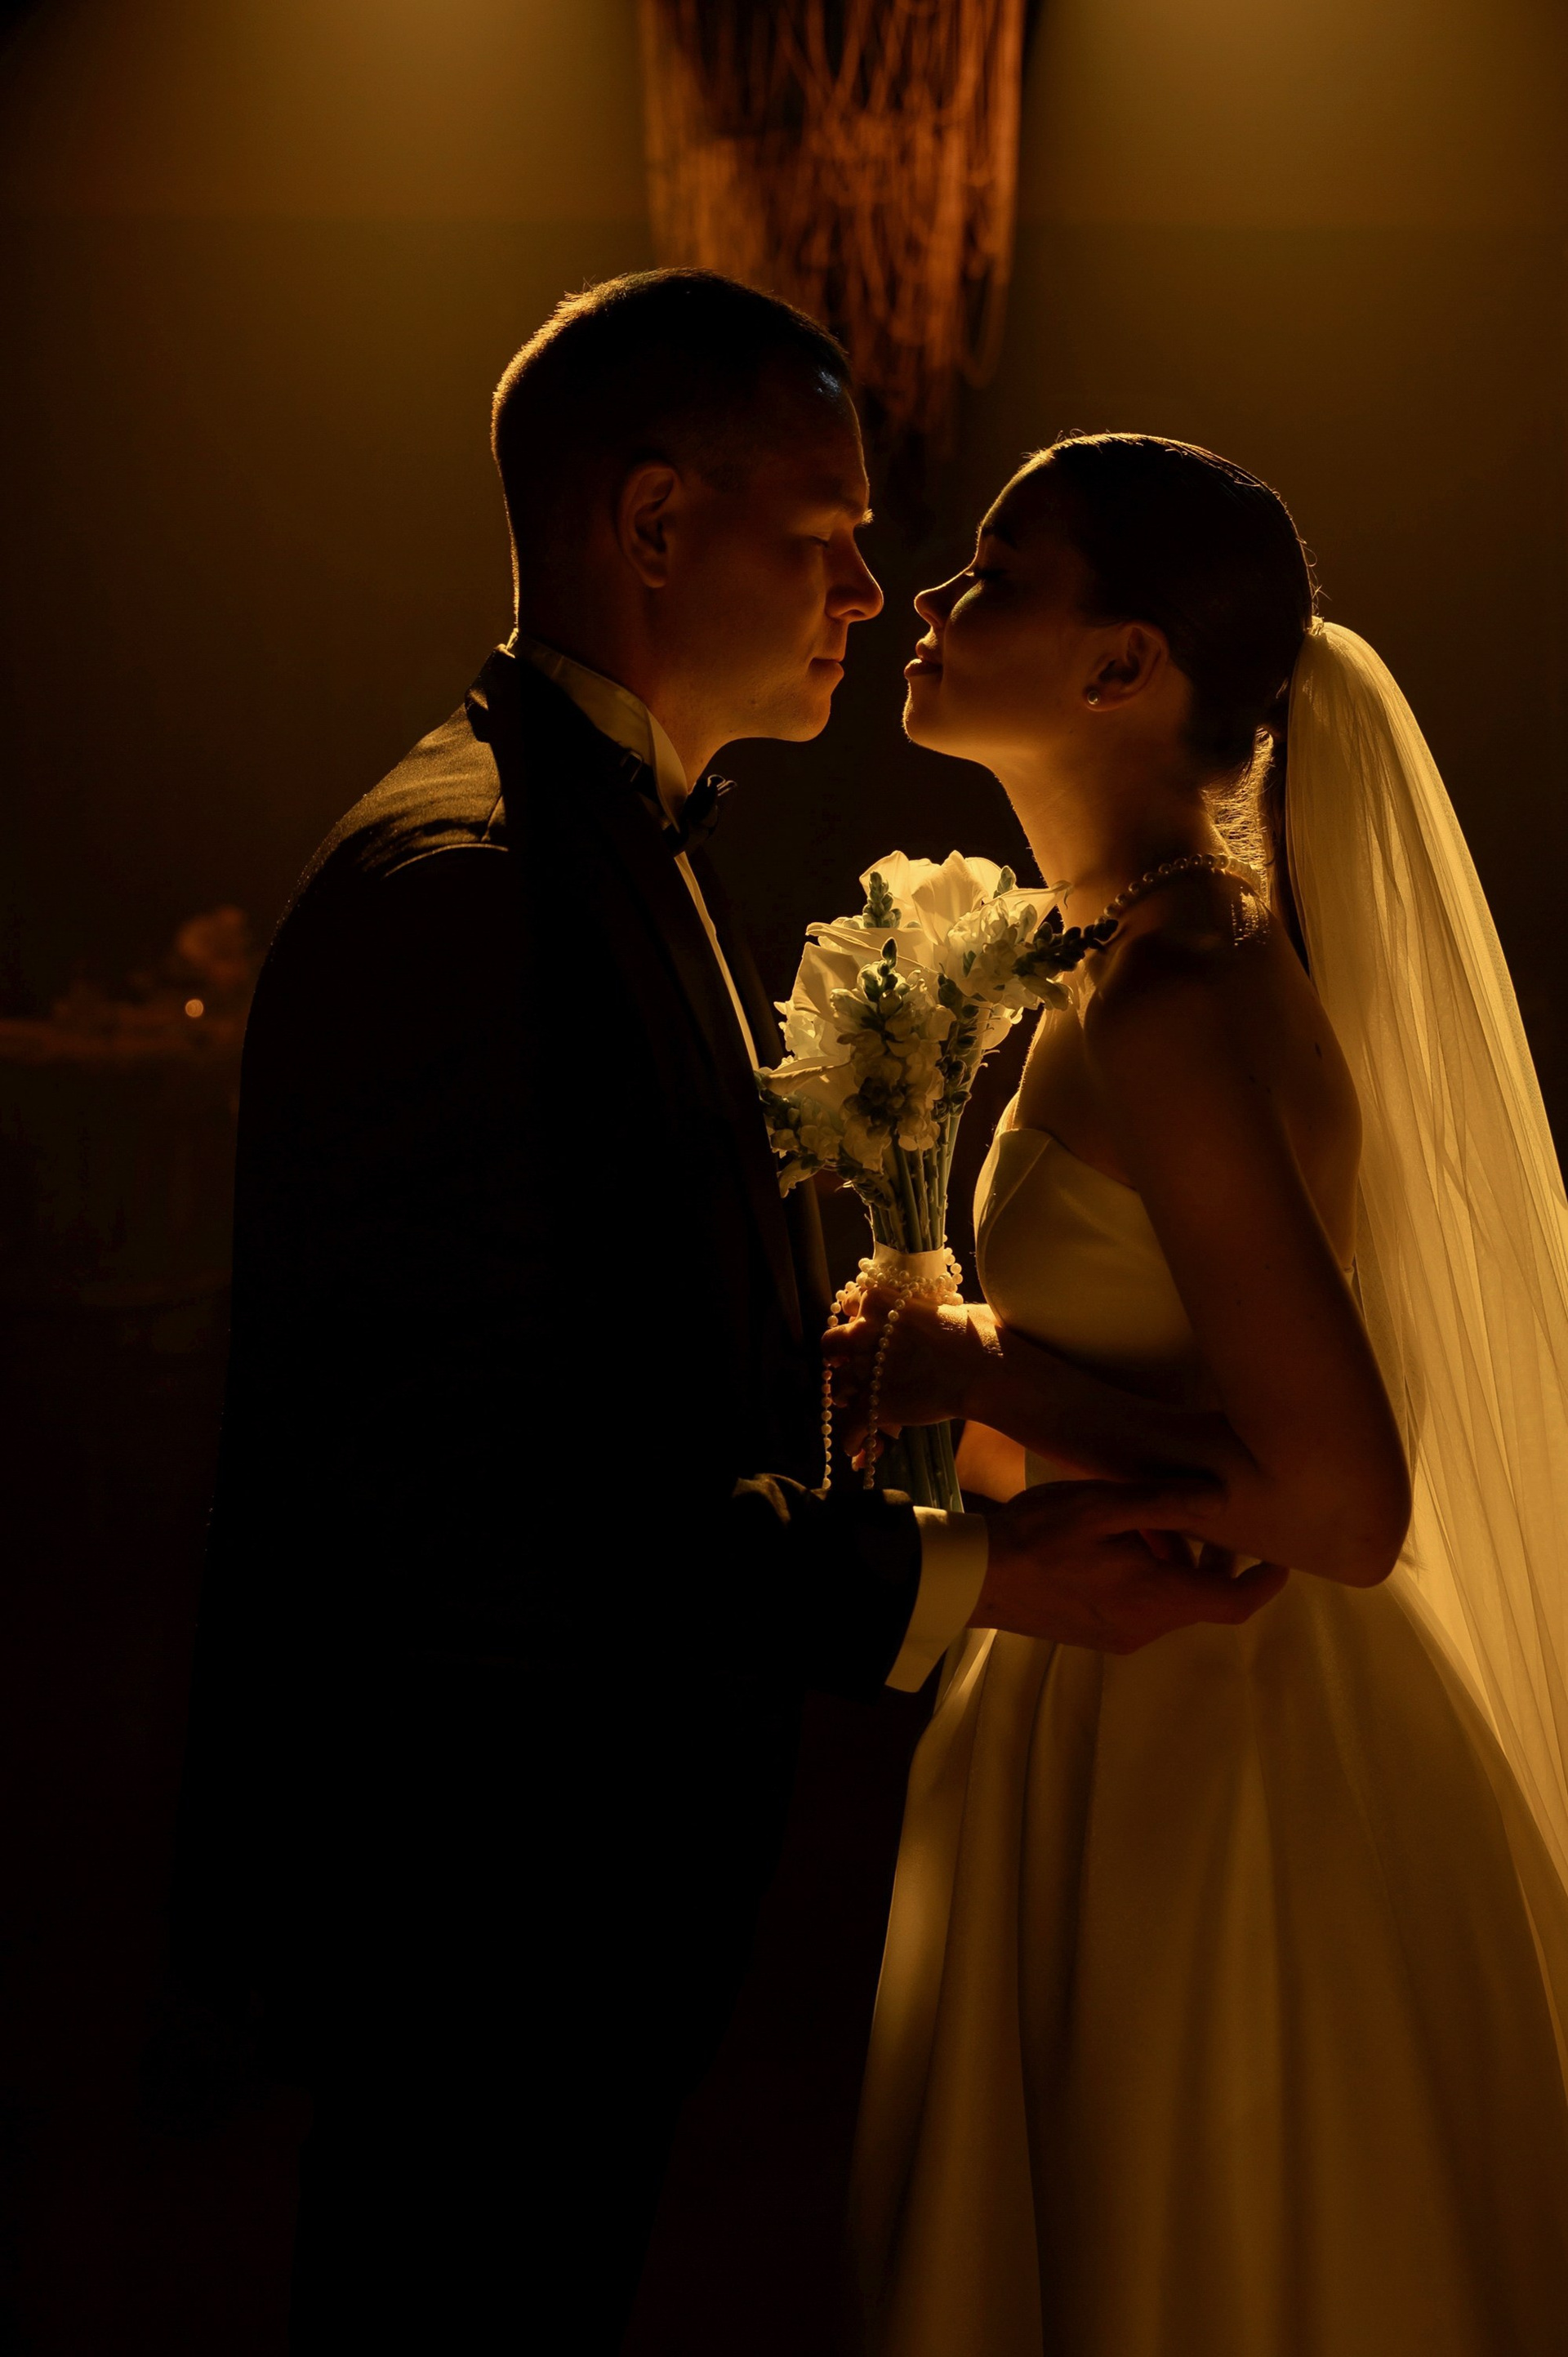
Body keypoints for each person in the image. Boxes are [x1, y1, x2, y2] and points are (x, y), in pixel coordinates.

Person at [165, 285, 1282, 2350]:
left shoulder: (591, 831)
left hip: (562, 1889)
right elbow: (496, 1504)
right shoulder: (473, 879)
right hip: (483, 1901)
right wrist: (975, 1575)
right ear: (657, 524)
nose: (869, 589)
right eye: (827, 533)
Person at [827, 431, 1568, 2355]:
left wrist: (974, 1358)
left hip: (1224, 1750)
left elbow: (1342, 1506)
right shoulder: (1138, 964)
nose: (931, 601)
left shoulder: (1175, 990)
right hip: (1121, 1683)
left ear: (1121, 665)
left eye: (996, 575)